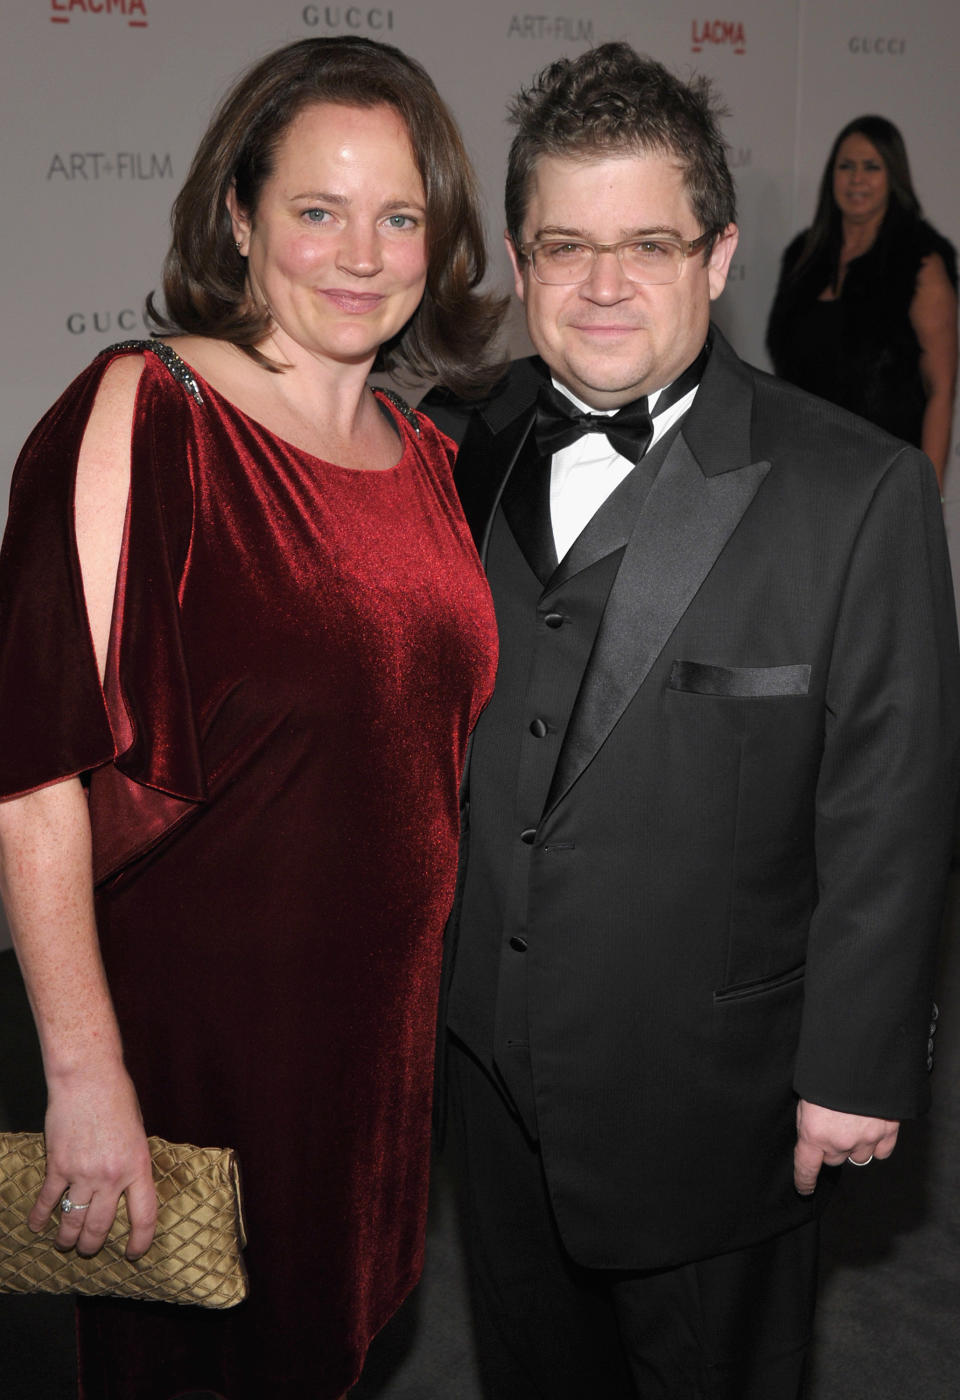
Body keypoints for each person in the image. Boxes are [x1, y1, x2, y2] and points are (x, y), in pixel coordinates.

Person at [422, 43, 960, 1400]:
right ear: (518, 256)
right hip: (489, 1076)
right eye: (566, 246)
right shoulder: (459, 441)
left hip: (716, 1104)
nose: (605, 286)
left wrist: (856, 1064)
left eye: (650, 245)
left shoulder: (857, 493)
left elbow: (892, 803)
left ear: (718, 256)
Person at [0, 36, 502, 1400]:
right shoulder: (153, 411)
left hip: (378, 1057)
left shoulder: (435, 464)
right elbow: (35, 771)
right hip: (194, 1050)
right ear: (240, 216)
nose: (363, 252)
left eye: (399, 215)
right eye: (318, 210)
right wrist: (86, 1075)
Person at [767, 115, 958, 486]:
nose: (857, 179)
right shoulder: (803, 258)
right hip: (799, 471)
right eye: (846, 166)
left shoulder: (920, 261)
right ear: (831, 176)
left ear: (894, 176)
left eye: (872, 167)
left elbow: (941, 389)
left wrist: (924, 498)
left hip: (882, 478)